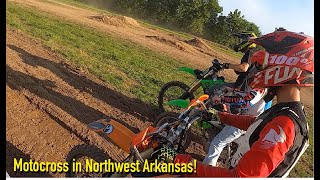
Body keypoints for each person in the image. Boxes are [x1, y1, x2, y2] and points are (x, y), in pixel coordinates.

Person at [153, 30, 313, 177]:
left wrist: (177, 161)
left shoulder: (284, 124)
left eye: (265, 65)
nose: (258, 70)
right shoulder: (285, 110)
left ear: (284, 69)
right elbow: (256, 123)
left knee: (217, 144)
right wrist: (220, 117)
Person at [202, 31, 272, 166]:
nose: (252, 68)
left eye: (255, 65)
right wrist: (231, 90)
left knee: (217, 143)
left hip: (246, 121)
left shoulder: (261, 85)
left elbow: (245, 100)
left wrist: (222, 100)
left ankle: (206, 170)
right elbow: (244, 96)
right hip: (247, 118)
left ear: (260, 67)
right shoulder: (261, 82)